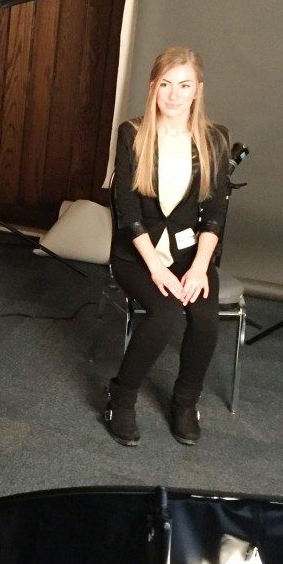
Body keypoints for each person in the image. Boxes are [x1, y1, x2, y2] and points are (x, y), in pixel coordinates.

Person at [104, 46, 229, 447]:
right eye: (165, 84)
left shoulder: (215, 139)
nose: (174, 95)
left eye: (184, 85)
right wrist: (156, 268)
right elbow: (127, 210)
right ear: (153, 87)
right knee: (165, 312)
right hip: (138, 254)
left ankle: (184, 403)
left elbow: (214, 214)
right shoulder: (132, 133)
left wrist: (198, 268)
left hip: (193, 255)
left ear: (198, 90)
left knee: (206, 319)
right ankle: (120, 398)